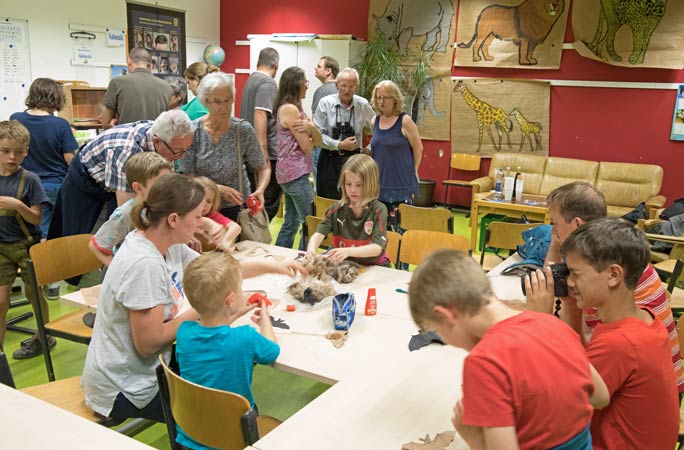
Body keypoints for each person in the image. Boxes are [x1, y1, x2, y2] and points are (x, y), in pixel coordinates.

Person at [81, 173, 303, 422]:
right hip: (127, 388)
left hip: (146, 369)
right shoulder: (144, 265)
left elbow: (217, 273)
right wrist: (208, 308)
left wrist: (275, 266)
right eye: (198, 217)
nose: (202, 225)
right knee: (234, 408)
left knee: (225, 359)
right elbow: (148, 344)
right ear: (174, 219)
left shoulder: (167, 242)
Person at [408, 249, 609, 450]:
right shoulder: (553, 324)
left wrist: (474, 438)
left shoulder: (484, 362)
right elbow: (600, 397)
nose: (447, 341)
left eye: (438, 331)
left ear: (446, 316)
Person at [524, 181, 684, 393]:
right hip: (645, 380)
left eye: (555, 223)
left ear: (577, 224)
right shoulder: (614, 254)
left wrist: (539, 321)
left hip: (640, 386)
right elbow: (583, 349)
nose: (553, 230)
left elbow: (566, 388)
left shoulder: (600, 278)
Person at [560, 219, 678, 450]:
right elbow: (586, 364)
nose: (569, 282)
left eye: (575, 273)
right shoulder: (644, 319)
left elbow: (560, 403)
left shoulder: (620, 343)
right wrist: (572, 308)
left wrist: (538, 320)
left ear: (614, 275)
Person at [175, 252, 279, 449]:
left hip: (191, 434)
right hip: (235, 438)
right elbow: (272, 351)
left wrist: (234, 314)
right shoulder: (246, 337)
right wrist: (265, 319)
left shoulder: (184, 332)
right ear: (230, 299)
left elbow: (212, 336)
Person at [48, 109, 195, 240]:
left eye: (186, 149)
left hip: (116, 179)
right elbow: (127, 208)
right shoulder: (126, 151)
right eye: (178, 151)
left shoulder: (167, 138)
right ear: (157, 142)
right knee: (76, 234)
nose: (182, 156)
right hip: (86, 179)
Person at [178, 72, 270, 223]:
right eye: (217, 102)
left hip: (238, 209)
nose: (224, 107)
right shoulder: (194, 131)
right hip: (202, 208)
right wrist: (217, 189)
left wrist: (260, 190)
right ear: (205, 102)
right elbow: (186, 176)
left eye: (228, 100)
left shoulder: (242, 129)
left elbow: (263, 168)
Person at [0, 121, 52, 359]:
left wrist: (18, 206)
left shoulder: (30, 179)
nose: (12, 157)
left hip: (25, 246)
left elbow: (36, 218)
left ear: (26, 152)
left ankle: (43, 337)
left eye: (18, 152)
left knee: (34, 295)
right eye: (6, 151)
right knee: (1, 301)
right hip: (1, 248)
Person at [10, 78, 78, 241]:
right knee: (49, 234)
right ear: (56, 97)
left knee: (27, 231)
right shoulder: (60, 124)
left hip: (22, 184)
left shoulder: (16, 119)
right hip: (53, 185)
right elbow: (70, 160)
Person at [88, 152, 172, 267]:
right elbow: (96, 246)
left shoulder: (162, 207)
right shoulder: (125, 214)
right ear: (138, 187)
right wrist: (117, 269)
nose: (166, 189)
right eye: (159, 185)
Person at [307, 154, 389, 266]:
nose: (353, 190)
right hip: (345, 265)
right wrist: (311, 249)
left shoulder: (378, 210)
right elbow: (319, 233)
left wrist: (348, 251)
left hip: (373, 266)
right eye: (348, 184)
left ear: (371, 184)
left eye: (359, 185)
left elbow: (377, 248)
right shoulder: (336, 209)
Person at [273, 67, 321, 249]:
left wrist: (311, 128)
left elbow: (318, 140)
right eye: (305, 82)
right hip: (295, 173)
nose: (307, 86)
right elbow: (308, 147)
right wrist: (311, 129)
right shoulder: (290, 109)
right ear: (296, 84)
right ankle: (303, 259)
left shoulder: (294, 108)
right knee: (310, 222)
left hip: (291, 173)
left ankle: (280, 257)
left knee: (291, 222)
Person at [313, 67, 374, 200]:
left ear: (356, 87)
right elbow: (317, 136)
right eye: (343, 86)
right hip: (329, 158)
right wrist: (339, 144)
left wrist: (369, 149)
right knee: (327, 200)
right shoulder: (326, 103)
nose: (347, 90)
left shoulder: (362, 105)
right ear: (337, 85)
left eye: (351, 87)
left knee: (353, 199)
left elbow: (379, 130)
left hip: (354, 158)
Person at [369, 80, 423, 230]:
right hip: (379, 184)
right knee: (380, 230)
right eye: (378, 97)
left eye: (385, 98)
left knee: (401, 229)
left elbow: (418, 148)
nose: (381, 101)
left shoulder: (405, 121)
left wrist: (414, 171)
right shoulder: (374, 121)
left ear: (394, 99)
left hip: (402, 184)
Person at [239, 47, 281, 220]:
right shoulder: (268, 83)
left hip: (248, 149)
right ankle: (257, 233)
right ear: (276, 66)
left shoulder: (251, 80)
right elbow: (260, 113)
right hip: (265, 152)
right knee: (267, 203)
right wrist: (263, 150)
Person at [101, 47, 172, 129]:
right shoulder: (167, 87)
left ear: (129, 62)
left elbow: (107, 123)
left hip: (127, 136)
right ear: (150, 65)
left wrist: (117, 121)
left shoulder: (117, 82)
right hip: (156, 136)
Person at [311, 56, 339, 184]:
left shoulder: (321, 91)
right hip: (338, 144)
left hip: (321, 144)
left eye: (319, 66)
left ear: (328, 71)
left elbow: (315, 122)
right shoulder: (340, 90)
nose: (315, 68)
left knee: (320, 184)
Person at [194, 176, 241, 252]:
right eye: (200, 199)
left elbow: (236, 227)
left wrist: (226, 241)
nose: (204, 205)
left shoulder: (212, 215)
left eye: (208, 201)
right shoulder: (183, 215)